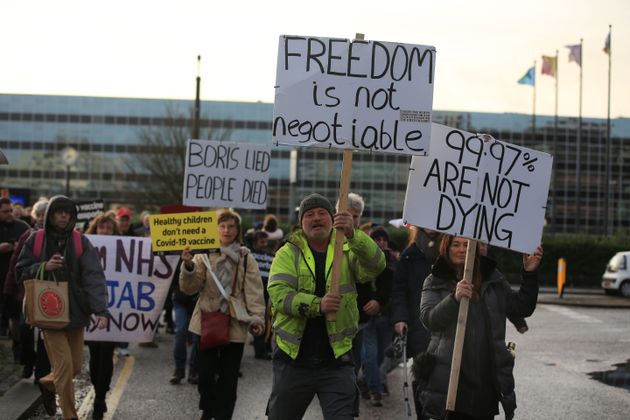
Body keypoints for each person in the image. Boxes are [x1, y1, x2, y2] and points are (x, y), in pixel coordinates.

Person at [266, 193, 386, 420]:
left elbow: (376, 266)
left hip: (337, 362)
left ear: (333, 218)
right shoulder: (287, 252)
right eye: (309, 215)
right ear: (302, 223)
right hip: (294, 361)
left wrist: (354, 235)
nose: (316, 218)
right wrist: (317, 305)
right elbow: (279, 294)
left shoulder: (348, 250)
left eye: (322, 213)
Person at [418, 236, 543, 420]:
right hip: (450, 382)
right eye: (456, 244)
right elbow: (429, 319)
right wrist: (454, 299)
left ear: (476, 248)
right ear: (446, 247)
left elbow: (521, 307)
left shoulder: (492, 277)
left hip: (485, 385)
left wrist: (530, 272)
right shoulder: (435, 280)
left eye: (467, 245)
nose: (462, 249)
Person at [16, 195, 110, 420]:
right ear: (50, 215)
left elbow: (93, 277)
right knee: (65, 367)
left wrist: (101, 310)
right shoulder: (36, 239)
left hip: (77, 313)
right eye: (59, 212)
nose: (64, 216)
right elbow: (20, 271)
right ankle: (70, 416)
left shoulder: (80, 241)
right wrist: (43, 266)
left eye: (67, 212)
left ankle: (48, 382)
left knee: (75, 366)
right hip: (48, 313)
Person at [180, 209, 265, 420]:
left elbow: (254, 291)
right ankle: (208, 408)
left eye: (231, 226)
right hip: (206, 321)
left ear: (238, 230)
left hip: (235, 322)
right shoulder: (203, 253)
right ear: (216, 228)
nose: (226, 230)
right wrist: (189, 266)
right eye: (222, 226)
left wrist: (257, 317)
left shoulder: (245, 257)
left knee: (229, 379)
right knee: (205, 377)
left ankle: (223, 416)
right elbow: (190, 288)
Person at [390, 227, 441, 418]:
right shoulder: (409, 255)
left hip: (448, 326)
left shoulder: (454, 250)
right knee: (423, 377)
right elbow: (399, 290)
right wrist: (400, 317)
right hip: (419, 325)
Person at [83, 213, 119, 419]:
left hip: (115, 311)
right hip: (92, 309)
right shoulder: (86, 248)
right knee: (95, 355)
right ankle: (98, 391)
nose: (105, 232)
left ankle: (100, 398)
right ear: (95, 230)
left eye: (109, 229)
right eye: (101, 228)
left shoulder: (120, 247)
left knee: (106, 355)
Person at [0, 197, 31, 339]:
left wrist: (21, 247)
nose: (10, 214)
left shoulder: (22, 226)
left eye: (11, 211)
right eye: (5, 211)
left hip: (14, 276)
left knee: (15, 314)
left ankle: (16, 342)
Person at [249, 230, 274, 359]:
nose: (264, 244)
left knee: (261, 321)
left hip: (264, 294)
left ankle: (261, 349)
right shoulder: (249, 255)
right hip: (250, 293)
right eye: (261, 242)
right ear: (255, 243)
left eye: (266, 242)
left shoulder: (270, 255)